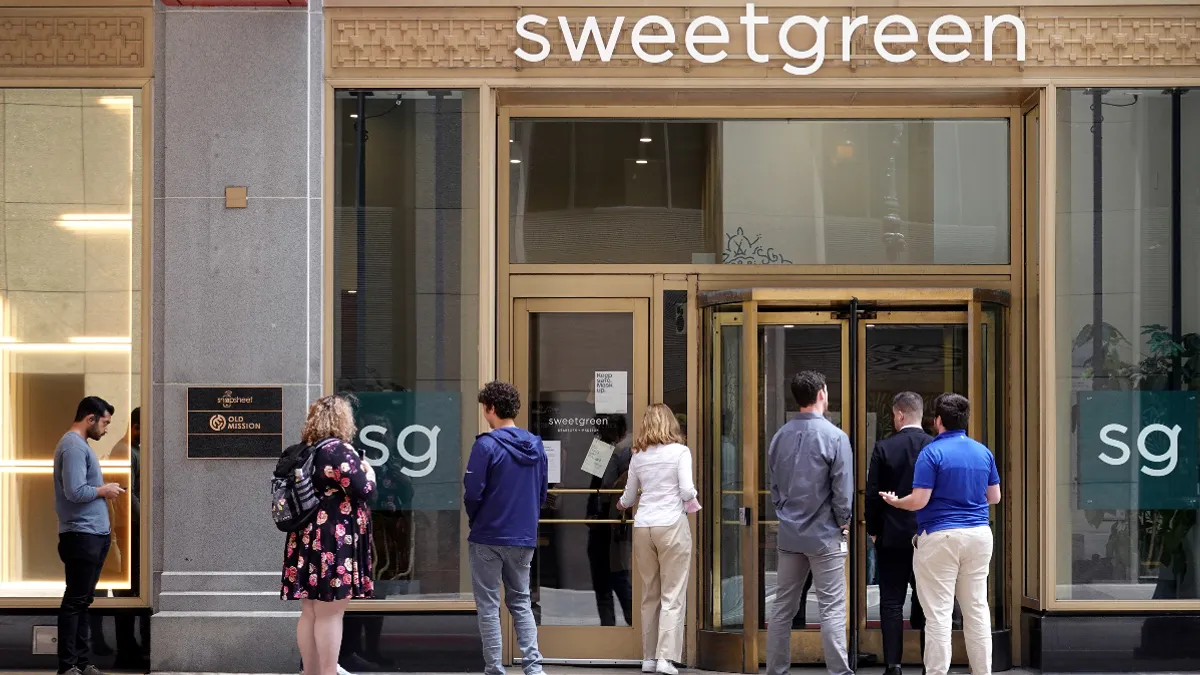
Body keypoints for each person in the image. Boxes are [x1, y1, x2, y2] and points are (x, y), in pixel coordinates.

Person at [881, 393, 1001, 675]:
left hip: (940, 537)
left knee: (938, 615)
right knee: (976, 610)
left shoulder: (932, 453)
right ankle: (983, 672)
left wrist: (896, 502)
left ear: (937, 421)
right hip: (979, 536)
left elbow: (920, 500)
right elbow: (993, 496)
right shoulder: (982, 452)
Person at [281, 395, 376, 675]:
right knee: (331, 611)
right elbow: (364, 489)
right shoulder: (338, 451)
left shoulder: (306, 450)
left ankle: (310, 671)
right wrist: (368, 472)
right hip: (333, 539)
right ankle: (327, 672)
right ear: (342, 420)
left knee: (310, 610)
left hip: (307, 537)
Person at [765, 371, 853, 675]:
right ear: (822, 394)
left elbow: (774, 485)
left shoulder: (779, 436)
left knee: (782, 609)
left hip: (789, 535)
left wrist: (784, 513)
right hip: (825, 535)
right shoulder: (836, 437)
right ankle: (839, 672)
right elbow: (843, 490)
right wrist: (844, 523)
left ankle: (776, 670)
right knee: (831, 608)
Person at [464, 381, 547, 675]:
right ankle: (534, 667)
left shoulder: (485, 446)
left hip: (487, 535)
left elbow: (472, 493)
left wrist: (476, 520)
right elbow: (541, 493)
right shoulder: (536, 447)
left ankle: (495, 669)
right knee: (521, 601)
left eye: (484, 408)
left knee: (488, 606)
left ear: (492, 409)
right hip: (522, 536)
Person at [616, 404, 697, 675]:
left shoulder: (638, 455)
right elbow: (686, 490)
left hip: (643, 527)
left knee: (650, 593)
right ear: (671, 423)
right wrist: (691, 497)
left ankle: (648, 658)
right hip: (671, 524)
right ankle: (665, 658)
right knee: (672, 593)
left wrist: (620, 504)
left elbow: (628, 498)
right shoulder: (681, 452)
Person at [55, 396, 123, 675]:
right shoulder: (72, 446)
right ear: (90, 418)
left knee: (82, 600)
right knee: (75, 601)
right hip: (81, 534)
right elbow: (74, 491)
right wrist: (103, 490)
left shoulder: (79, 446)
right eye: (105, 422)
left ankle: (82, 663)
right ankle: (68, 665)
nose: (106, 429)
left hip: (91, 534)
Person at [866, 392, 932, 675]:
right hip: (929, 535)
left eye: (894, 415)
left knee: (891, 600)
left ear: (901, 415)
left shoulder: (884, 447)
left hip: (892, 535)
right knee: (930, 601)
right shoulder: (934, 446)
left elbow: (872, 494)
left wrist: (872, 531)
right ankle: (931, 663)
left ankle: (893, 664)